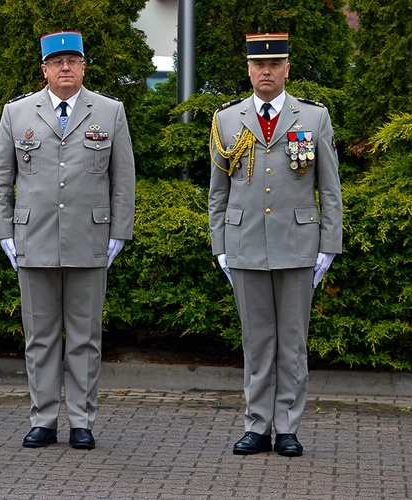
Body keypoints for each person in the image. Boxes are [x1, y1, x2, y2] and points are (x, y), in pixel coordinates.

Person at [0, 31, 136, 450]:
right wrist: (4, 232)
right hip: (32, 240)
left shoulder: (109, 111)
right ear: (44, 69)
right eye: (57, 62)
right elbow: (1, 180)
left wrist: (118, 232)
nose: (65, 68)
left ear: (84, 66)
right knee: (40, 337)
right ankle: (44, 419)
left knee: (86, 337)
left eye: (73, 60)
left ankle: (82, 421)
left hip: (90, 240)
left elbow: (122, 179)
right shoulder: (17, 113)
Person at [208, 33, 343, 457]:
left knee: (292, 342)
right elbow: (217, 192)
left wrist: (328, 245)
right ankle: (256, 425)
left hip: (298, 244)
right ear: (248, 70)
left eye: (274, 64)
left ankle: (287, 427)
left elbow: (330, 189)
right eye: (258, 66)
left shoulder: (314, 118)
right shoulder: (228, 120)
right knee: (257, 342)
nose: (266, 72)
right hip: (245, 243)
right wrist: (220, 244)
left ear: (287, 68)